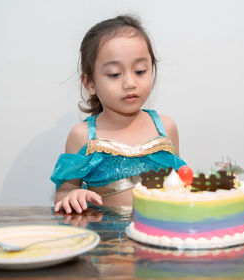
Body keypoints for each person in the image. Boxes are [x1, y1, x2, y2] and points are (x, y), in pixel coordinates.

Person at [51, 15, 186, 214]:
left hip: (160, 236)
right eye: (114, 74)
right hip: (108, 241)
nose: (130, 83)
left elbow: (180, 184)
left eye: (140, 71)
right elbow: (64, 194)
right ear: (90, 83)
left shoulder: (166, 128)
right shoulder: (83, 136)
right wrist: (72, 195)